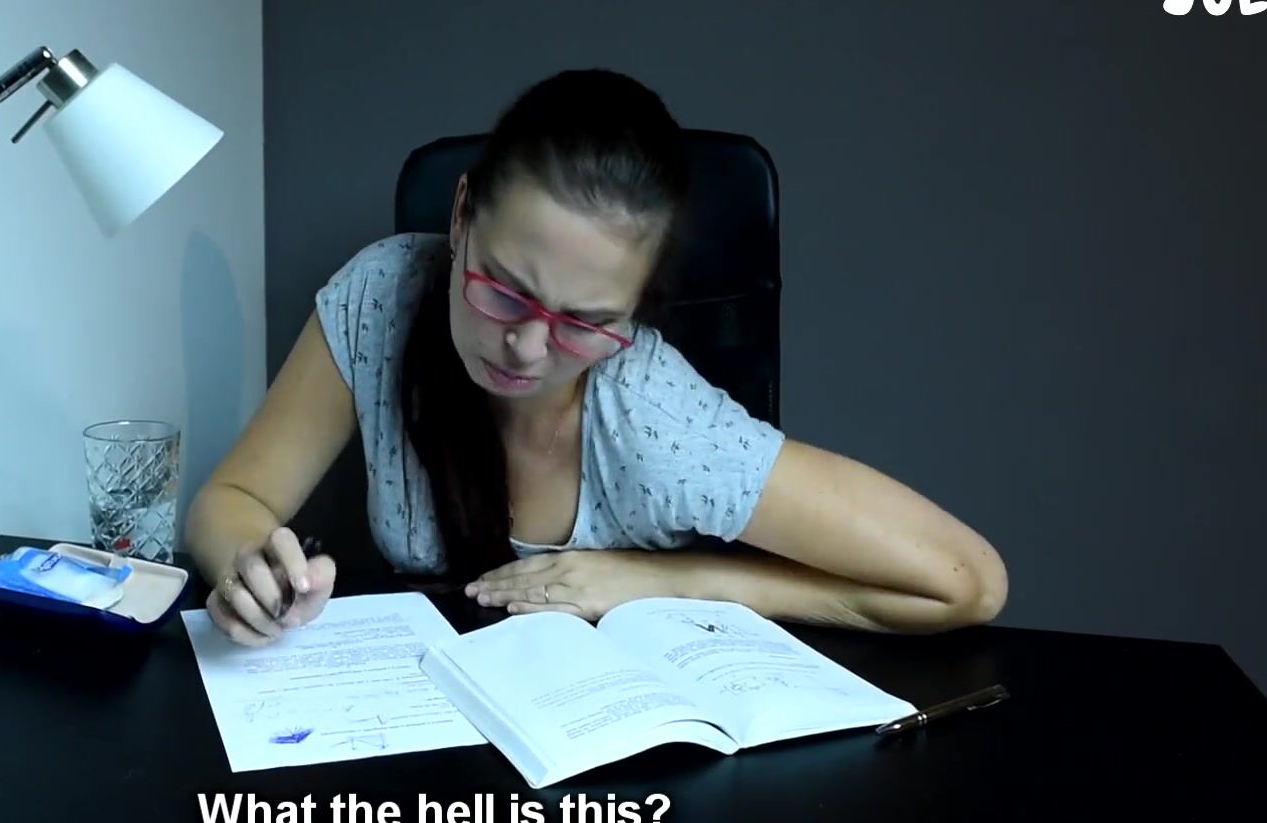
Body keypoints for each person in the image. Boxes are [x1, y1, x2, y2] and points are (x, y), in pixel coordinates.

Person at [186, 68, 1006, 647]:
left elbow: (969, 581)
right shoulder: (383, 295)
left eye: (587, 323)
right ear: (463, 214)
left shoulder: (656, 420)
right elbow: (233, 498)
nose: (527, 346)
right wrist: (251, 572)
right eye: (505, 290)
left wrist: (676, 580)